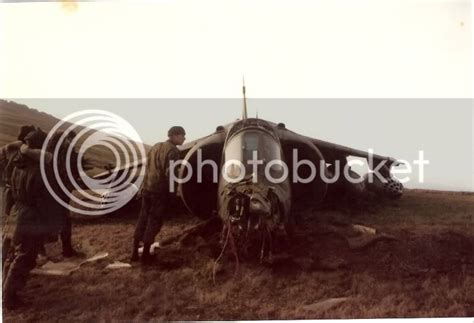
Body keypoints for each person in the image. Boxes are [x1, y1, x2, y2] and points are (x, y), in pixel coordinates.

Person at [2, 128, 62, 309]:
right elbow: (46, 200)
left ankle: (4, 290)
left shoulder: (17, 163)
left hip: (16, 213)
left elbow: (10, 190)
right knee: (25, 257)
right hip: (31, 218)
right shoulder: (41, 169)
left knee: (12, 254)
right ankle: (8, 297)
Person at [131, 126, 186, 265]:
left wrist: (142, 188)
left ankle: (134, 253)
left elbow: (148, 168)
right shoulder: (173, 151)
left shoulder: (155, 146)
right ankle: (145, 256)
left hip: (147, 189)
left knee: (142, 220)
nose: (184, 138)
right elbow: (171, 174)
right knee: (154, 222)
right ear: (173, 136)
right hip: (159, 192)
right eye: (182, 135)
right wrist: (173, 195)